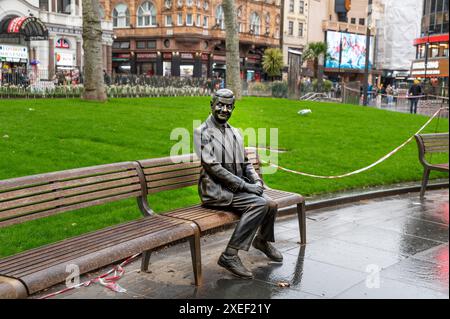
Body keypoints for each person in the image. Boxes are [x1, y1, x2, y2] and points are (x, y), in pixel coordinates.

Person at [194, 89, 282, 279]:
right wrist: (245, 186)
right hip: (217, 191)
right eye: (220, 105)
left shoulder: (235, 132)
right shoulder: (202, 132)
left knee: (271, 204)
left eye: (228, 106)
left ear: (233, 107)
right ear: (212, 104)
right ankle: (229, 255)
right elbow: (213, 168)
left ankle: (262, 241)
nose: (224, 109)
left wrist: (257, 180)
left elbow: (245, 163)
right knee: (259, 204)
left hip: (236, 189)